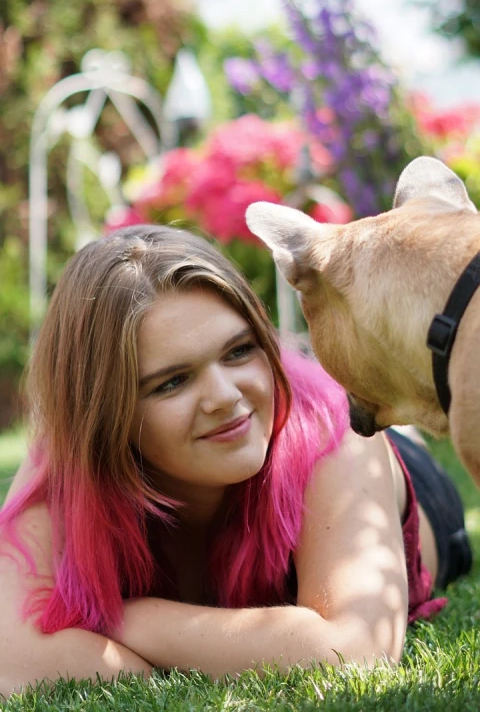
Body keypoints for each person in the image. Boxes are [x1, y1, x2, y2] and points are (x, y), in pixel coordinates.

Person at [0, 224, 472, 697]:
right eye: (172, 382)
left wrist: (117, 618)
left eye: (240, 350)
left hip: (354, 462)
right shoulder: (67, 462)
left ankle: (400, 436)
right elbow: (11, 656)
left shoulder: (334, 429)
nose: (224, 397)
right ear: (106, 416)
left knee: (372, 433)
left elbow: (356, 653)